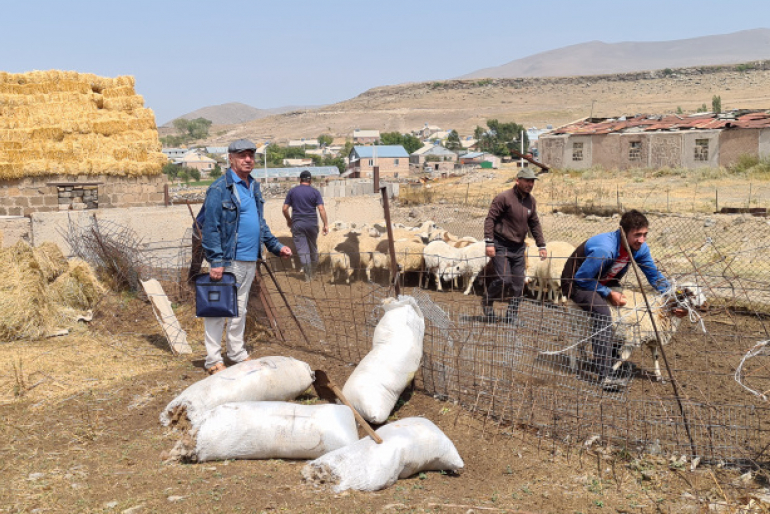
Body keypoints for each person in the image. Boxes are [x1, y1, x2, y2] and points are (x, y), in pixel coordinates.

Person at [561, 209, 684, 390]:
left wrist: (675, 299)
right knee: (602, 313)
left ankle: (610, 359)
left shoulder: (639, 248)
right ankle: (605, 375)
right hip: (577, 282)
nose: (641, 240)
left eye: (645, 234)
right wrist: (608, 293)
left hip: (604, 281)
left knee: (624, 313)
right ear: (623, 232)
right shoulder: (606, 249)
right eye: (637, 235)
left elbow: (653, 276)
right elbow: (583, 278)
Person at [200, 139, 292, 375]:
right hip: (229, 260)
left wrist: (275, 246)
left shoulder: (253, 187)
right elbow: (210, 227)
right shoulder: (219, 189)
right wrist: (216, 261)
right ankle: (212, 360)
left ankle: (236, 353)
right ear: (230, 158)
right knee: (219, 309)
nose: (248, 159)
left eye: (251, 155)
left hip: (249, 259)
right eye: (242, 155)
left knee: (239, 308)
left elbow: (259, 223)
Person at [482, 168, 547, 322]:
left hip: (518, 247)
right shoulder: (504, 198)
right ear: (518, 181)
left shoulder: (531, 201)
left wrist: (541, 245)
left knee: (519, 283)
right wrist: (489, 242)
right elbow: (490, 219)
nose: (530, 184)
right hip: (501, 244)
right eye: (527, 181)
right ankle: (487, 300)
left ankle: (512, 315)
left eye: (532, 181)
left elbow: (534, 223)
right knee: (505, 279)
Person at [282, 170, 329, 281]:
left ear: (300, 180)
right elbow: (321, 209)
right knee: (313, 247)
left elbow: (284, 209)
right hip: (312, 224)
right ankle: (314, 272)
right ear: (310, 180)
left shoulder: (293, 192)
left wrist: (289, 220)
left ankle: (308, 275)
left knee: (303, 250)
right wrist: (325, 224)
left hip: (298, 224)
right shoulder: (315, 192)